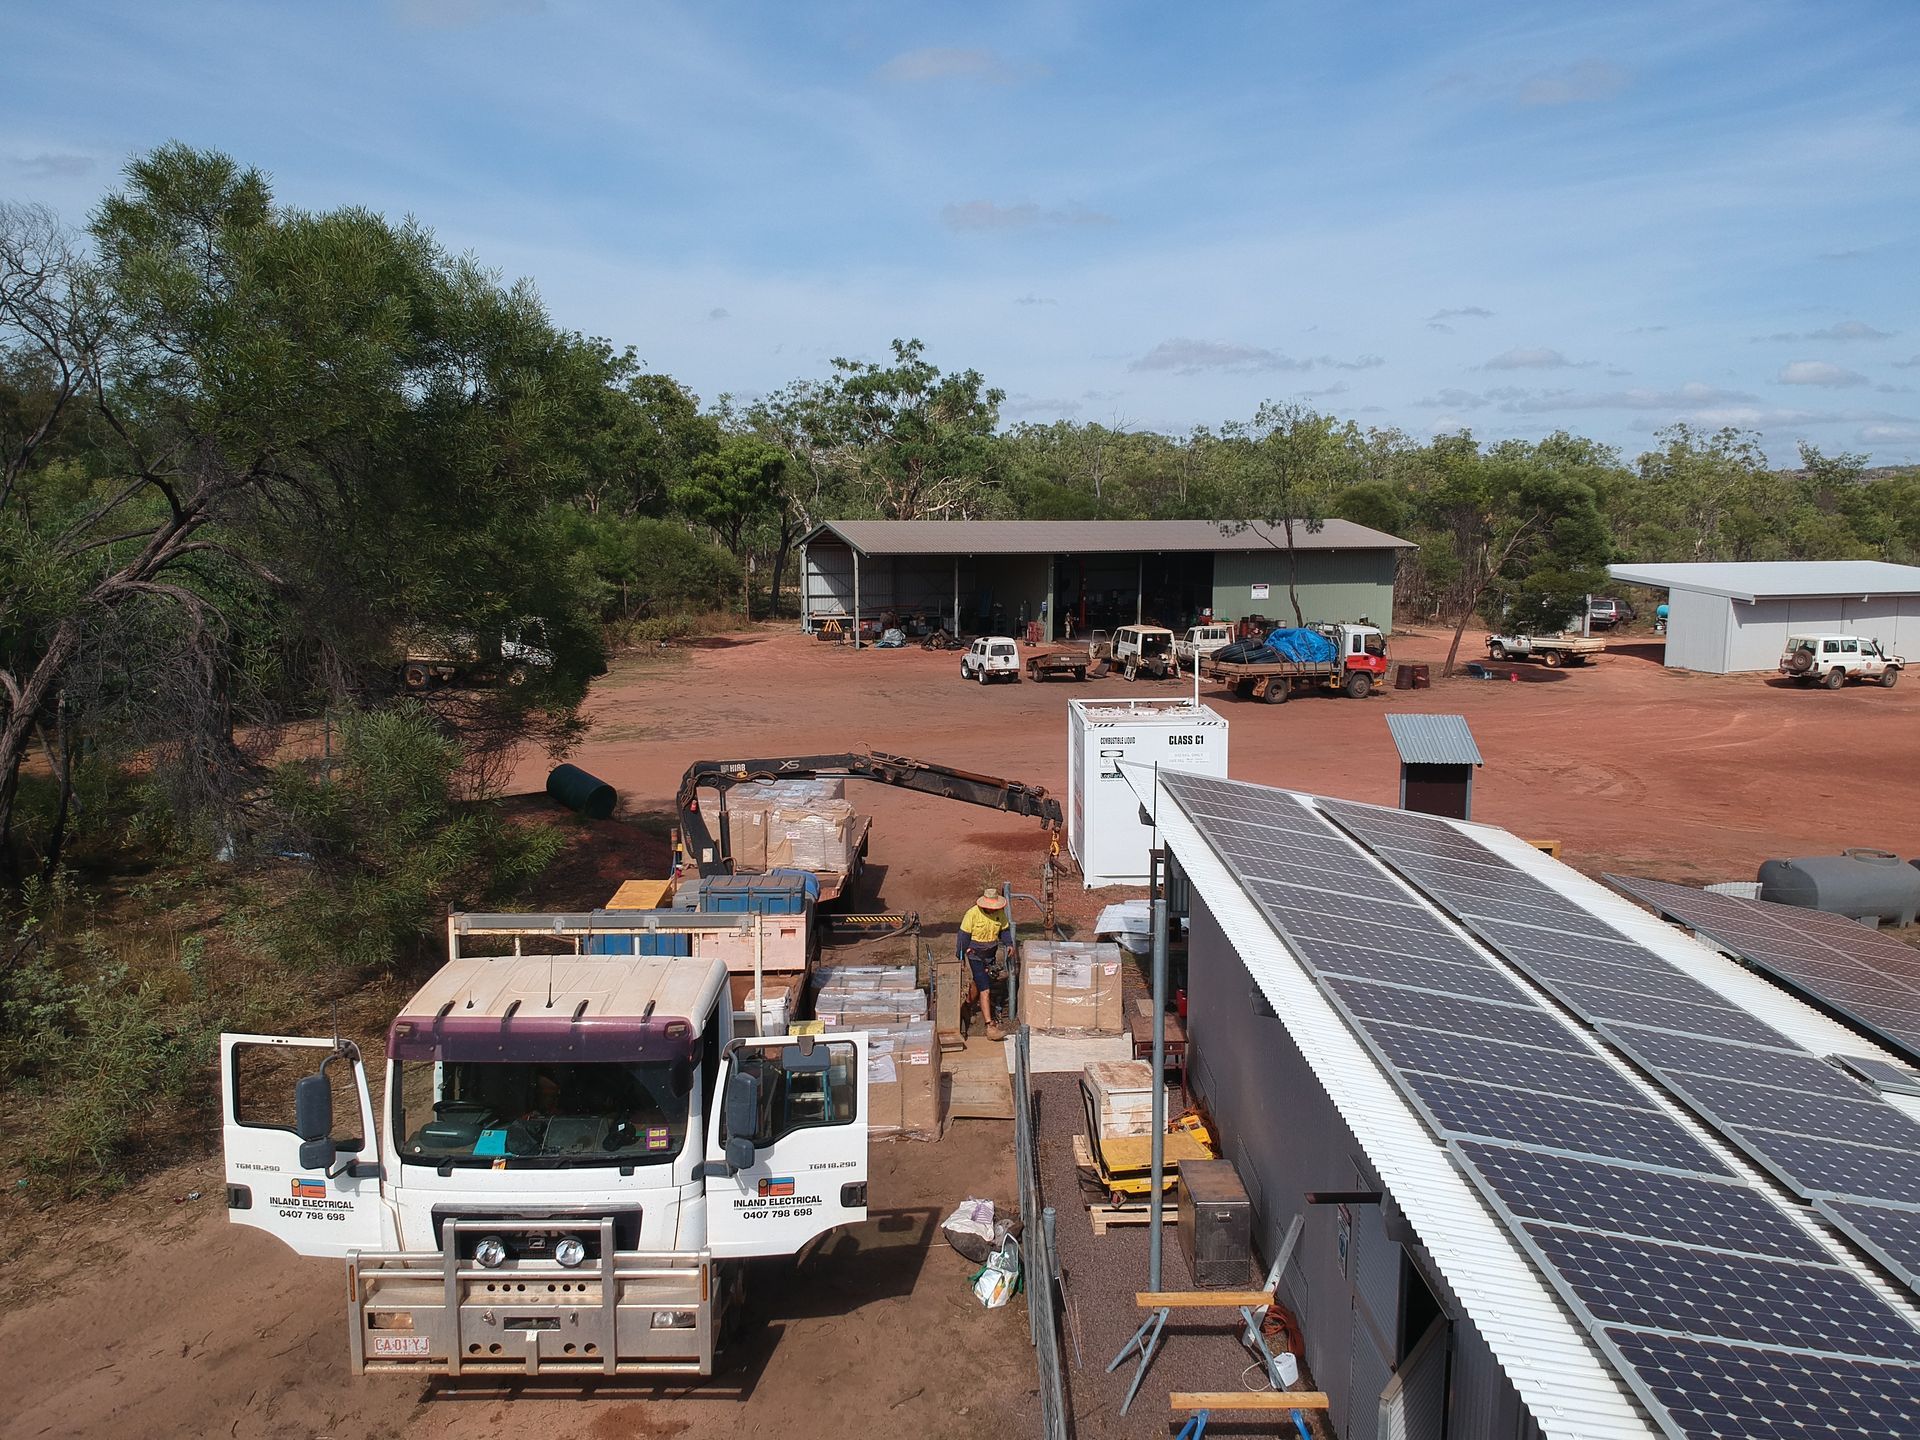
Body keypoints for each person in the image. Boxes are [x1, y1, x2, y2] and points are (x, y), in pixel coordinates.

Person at [955, 890, 1012, 1040]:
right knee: (985, 990)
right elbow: (963, 936)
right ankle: (990, 1026)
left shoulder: (1000, 913)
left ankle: (966, 1006)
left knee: (979, 983)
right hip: (975, 955)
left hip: (990, 955)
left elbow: (1004, 930)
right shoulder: (972, 914)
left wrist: (1009, 943)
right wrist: (961, 956)